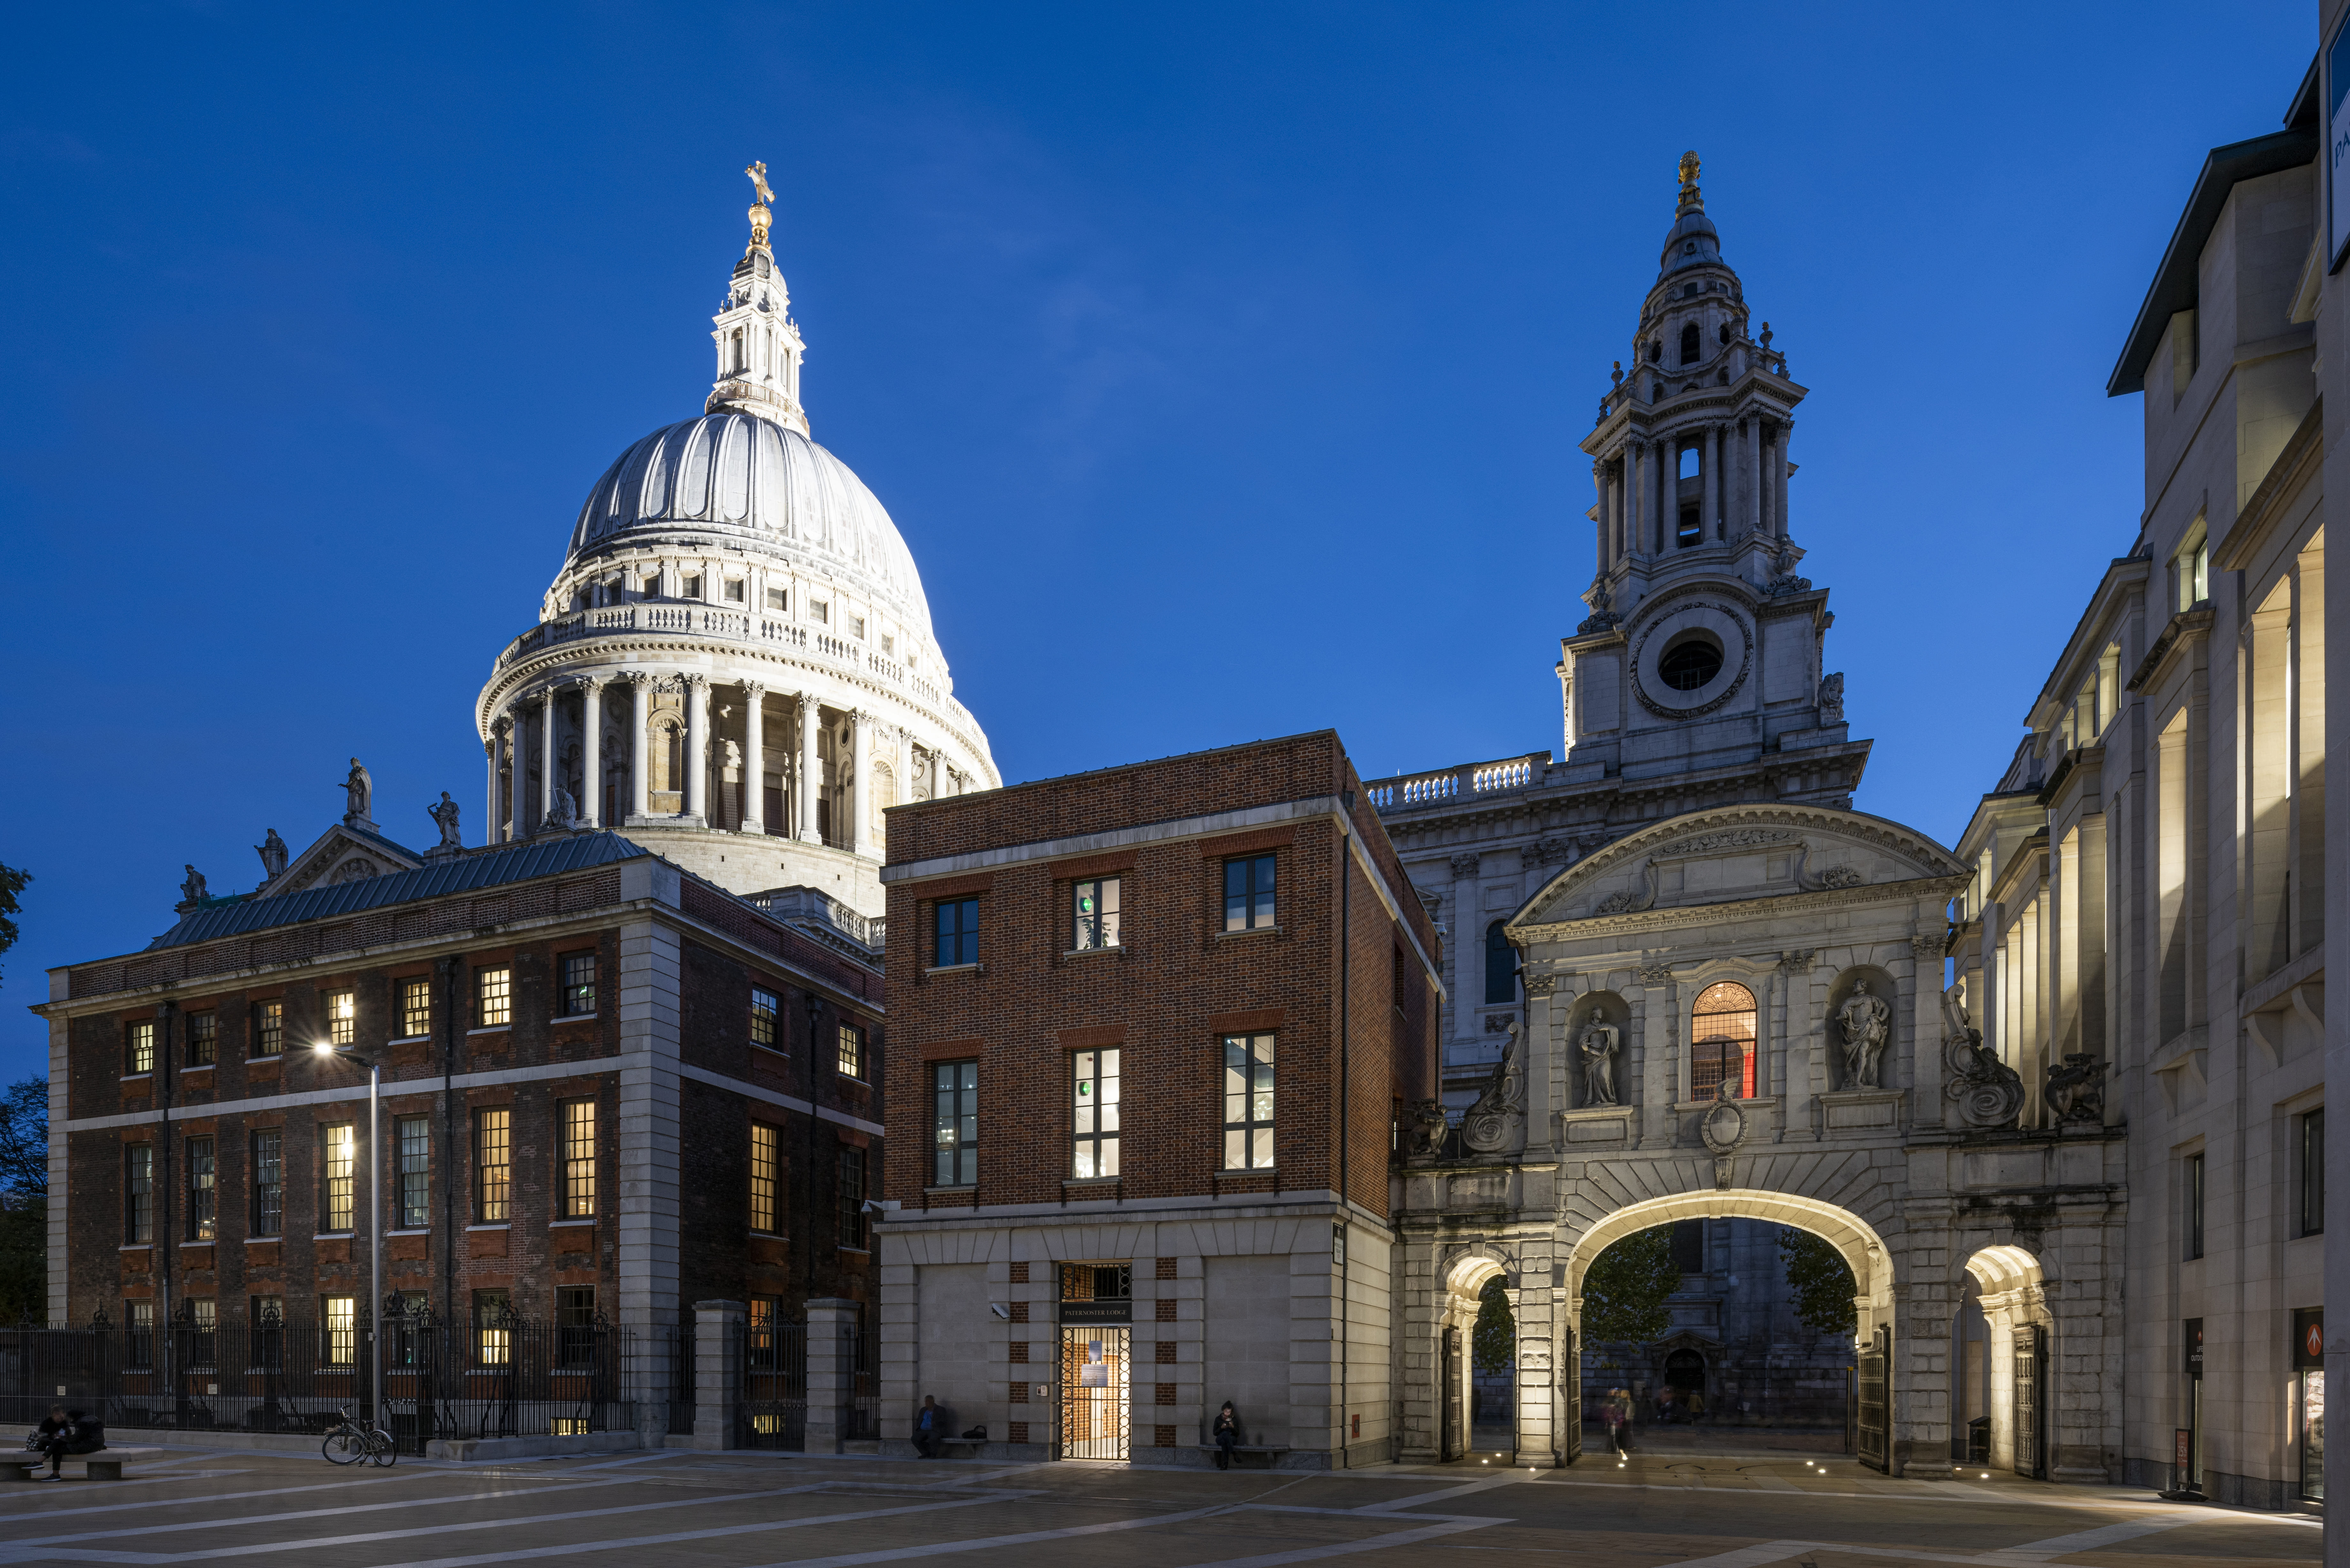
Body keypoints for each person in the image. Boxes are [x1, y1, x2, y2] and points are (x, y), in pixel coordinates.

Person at [34, 1406, 103, 1478]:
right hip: (96, 1445)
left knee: (57, 1449)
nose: (70, 1420)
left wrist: (62, 1439)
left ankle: (54, 1474)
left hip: (88, 1446)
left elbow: (76, 1438)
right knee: (57, 1442)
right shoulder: (91, 1418)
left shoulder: (81, 1422)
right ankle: (40, 1463)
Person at [1211, 1402, 1240, 1470]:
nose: (1227, 1413)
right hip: (1220, 1437)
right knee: (1225, 1434)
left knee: (1225, 1441)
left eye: (1229, 1412)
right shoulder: (1218, 1419)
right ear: (1223, 1410)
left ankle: (1225, 1464)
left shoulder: (1234, 1419)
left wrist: (1233, 1427)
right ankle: (1233, 1453)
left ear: (1231, 1412)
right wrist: (1221, 1428)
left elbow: (1237, 1434)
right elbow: (1215, 1433)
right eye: (1226, 1412)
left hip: (1232, 1438)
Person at [913, 1394, 942, 1458]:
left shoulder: (940, 1410)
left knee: (933, 1439)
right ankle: (925, 1453)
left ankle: (933, 1454)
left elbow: (943, 1421)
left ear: (932, 1402)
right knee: (914, 1439)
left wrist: (935, 1423)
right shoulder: (923, 1410)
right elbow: (919, 1420)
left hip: (934, 1430)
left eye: (928, 1401)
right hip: (923, 1430)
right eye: (926, 1401)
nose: (926, 1403)